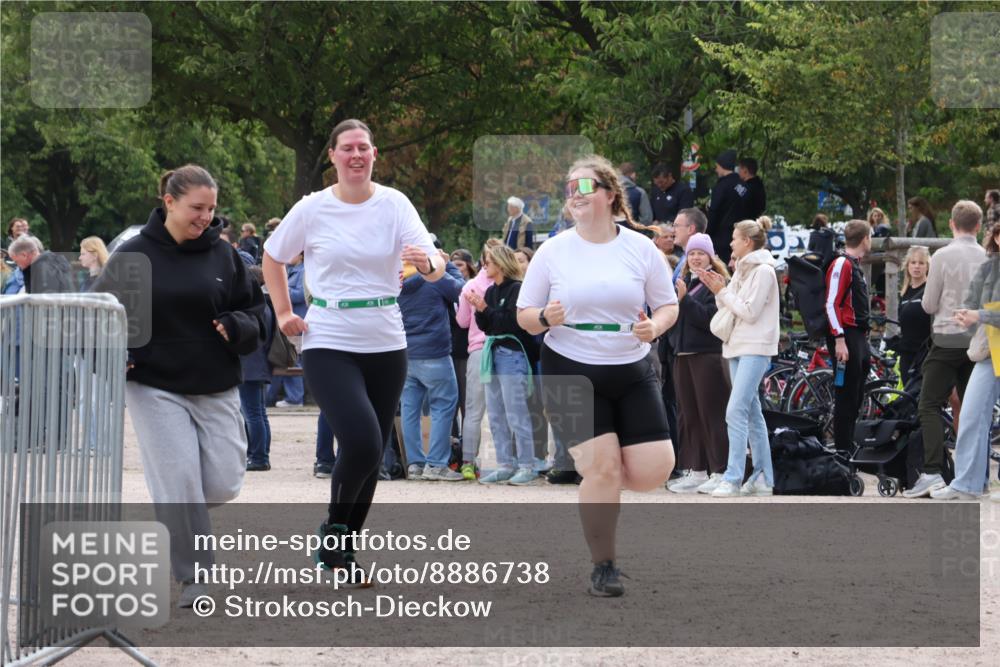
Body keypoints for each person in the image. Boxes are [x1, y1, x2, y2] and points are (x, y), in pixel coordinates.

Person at [262, 119, 445, 582]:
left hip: (385, 336)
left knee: (373, 449)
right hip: (328, 335)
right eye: (348, 148)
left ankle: (341, 551)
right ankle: (333, 531)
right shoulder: (312, 208)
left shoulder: (395, 203)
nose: (356, 155)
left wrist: (429, 262)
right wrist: (284, 313)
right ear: (333, 156)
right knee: (362, 440)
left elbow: (434, 263)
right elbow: (272, 256)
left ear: (375, 154)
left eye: (364, 147)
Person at [91, 164, 265, 606]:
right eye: (196, 208)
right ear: (168, 202)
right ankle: (195, 576)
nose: (206, 217)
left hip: (215, 381)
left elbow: (254, 311)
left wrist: (236, 326)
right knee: (179, 477)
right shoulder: (132, 255)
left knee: (224, 483)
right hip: (152, 383)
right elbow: (100, 316)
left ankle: (177, 508)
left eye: (212, 209)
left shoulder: (225, 256)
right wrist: (118, 354)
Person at [517, 155, 678, 597]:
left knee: (654, 471)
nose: (574, 196)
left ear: (609, 195)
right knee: (604, 468)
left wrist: (656, 327)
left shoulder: (640, 248)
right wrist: (545, 317)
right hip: (569, 364)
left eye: (583, 188)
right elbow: (524, 316)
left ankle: (598, 479)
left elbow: (668, 305)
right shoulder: (553, 250)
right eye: (569, 189)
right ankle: (603, 566)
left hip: (630, 361)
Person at [905, 200, 987, 498]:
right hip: (978, 341)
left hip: (946, 337)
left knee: (929, 404)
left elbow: (928, 304)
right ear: (978, 226)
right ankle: (977, 476)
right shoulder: (987, 256)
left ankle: (931, 471)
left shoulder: (941, 256)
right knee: (973, 409)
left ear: (952, 223)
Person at [699, 217, 779, 497]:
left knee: (736, 410)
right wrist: (720, 290)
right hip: (737, 345)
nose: (730, 242)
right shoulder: (744, 270)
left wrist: (722, 290)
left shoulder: (764, 272)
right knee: (752, 413)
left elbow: (749, 311)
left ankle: (733, 477)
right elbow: (729, 304)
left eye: (734, 237)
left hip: (756, 346)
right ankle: (762, 477)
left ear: (747, 242)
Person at [931, 222, 1000, 500]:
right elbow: (975, 302)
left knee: (973, 415)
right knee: (971, 416)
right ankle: (968, 484)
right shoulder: (989, 267)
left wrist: (979, 316)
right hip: (988, 350)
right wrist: (969, 315)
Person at [467, 244, 539, 485]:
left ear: (500, 263)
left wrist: (486, 309)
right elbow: (487, 326)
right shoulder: (489, 291)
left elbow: (512, 323)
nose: (484, 265)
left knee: (516, 412)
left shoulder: (518, 289)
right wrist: (480, 309)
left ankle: (527, 465)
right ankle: (506, 464)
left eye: (488, 261)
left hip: (511, 353)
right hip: (493, 353)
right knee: (496, 414)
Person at [666, 233, 732, 494]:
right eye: (691, 253)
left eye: (700, 253)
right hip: (682, 356)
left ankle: (719, 469)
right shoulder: (683, 282)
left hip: (707, 355)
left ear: (710, 257)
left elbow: (710, 321)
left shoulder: (715, 284)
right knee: (688, 414)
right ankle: (696, 468)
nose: (695, 257)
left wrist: (686, 300)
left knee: (711, 413)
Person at [398, 247, 465, 481]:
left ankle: (415, 463)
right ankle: (436, 464)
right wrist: (447, 264)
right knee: (444, 406)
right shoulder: (433, 279)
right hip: (434, 351)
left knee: (409, 409)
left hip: (406, 353)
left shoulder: (397, 282)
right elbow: (460, 290)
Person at [824, 220, 873, 455]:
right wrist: (839, 339)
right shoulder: (842, 263)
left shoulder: (855, 265)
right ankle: (843, 450)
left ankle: (849, 445)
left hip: (859, 336)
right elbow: (831, 303)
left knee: (856, 395)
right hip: (846, 336)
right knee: (845, 396)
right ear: (865, 238)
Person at [456, 240, 501, 479]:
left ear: (483, 260)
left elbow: (462, 322)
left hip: (477, 350)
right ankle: (504, 461)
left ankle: (467, 462)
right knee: (502, 410)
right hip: (504, 349)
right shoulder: (511, 284)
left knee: (473, 410)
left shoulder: (470, 286)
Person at [240, 265, 275, 471]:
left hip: (250, 364)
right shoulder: (265, 304)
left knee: (252, 413)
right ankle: (261, 454)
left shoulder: (254, 307)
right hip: (259, 364)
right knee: (258, 412)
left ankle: (258, 456)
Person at [266, 253, 306, 407]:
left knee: (293, 360)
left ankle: (295, 398)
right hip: (288, 321)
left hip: (297, 320)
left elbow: (302, 295)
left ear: (301, 256)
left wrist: (282, 290)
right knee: (288, 359)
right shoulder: (290, 269)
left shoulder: (303, 271)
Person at [448, 248, 476, 460]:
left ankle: (468, 454)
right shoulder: (447, 288)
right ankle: (452, 450)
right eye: (453, 265)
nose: (457, 269)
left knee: (468, 403)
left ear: (469, 265)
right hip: (450, 349)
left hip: (467, 351)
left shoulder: (473, 288)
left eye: (460, 265)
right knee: (450, 404)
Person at [896, 245, 932, 386]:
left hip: (925, 355)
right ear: (908, 265)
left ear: (927, 267)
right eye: (913, 262)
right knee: (908, 399)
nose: (917, 267)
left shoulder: (930, 290)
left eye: (921, 263)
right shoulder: (905, 292)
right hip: (906, 355)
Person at [7, 235, 73, 293]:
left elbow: (46, 299)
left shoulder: (43, 268)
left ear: (24, 255)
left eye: (16, 261)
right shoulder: (50, 263)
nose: (17, 265)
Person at [671, 207, 708, 281]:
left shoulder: (697, 262)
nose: (673, 230)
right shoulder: (685, 256)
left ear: (690, 229)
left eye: (676, 226)